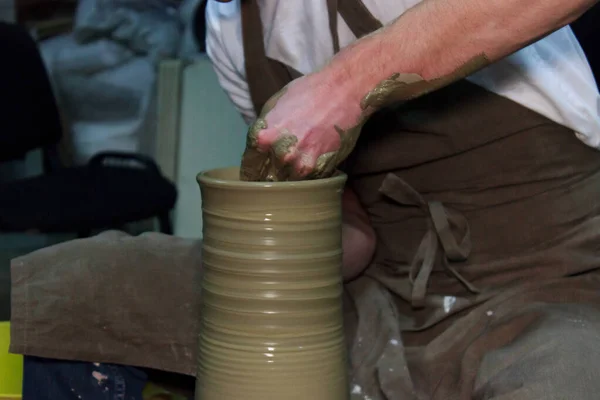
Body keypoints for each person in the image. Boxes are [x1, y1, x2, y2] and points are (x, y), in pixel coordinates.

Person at [14, 0, 600, 398]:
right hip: (378, 295)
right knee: (71, 289)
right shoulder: (228, 27)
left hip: (545, 286)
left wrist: (347, 85)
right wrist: (270, 262)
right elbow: (355, 233)